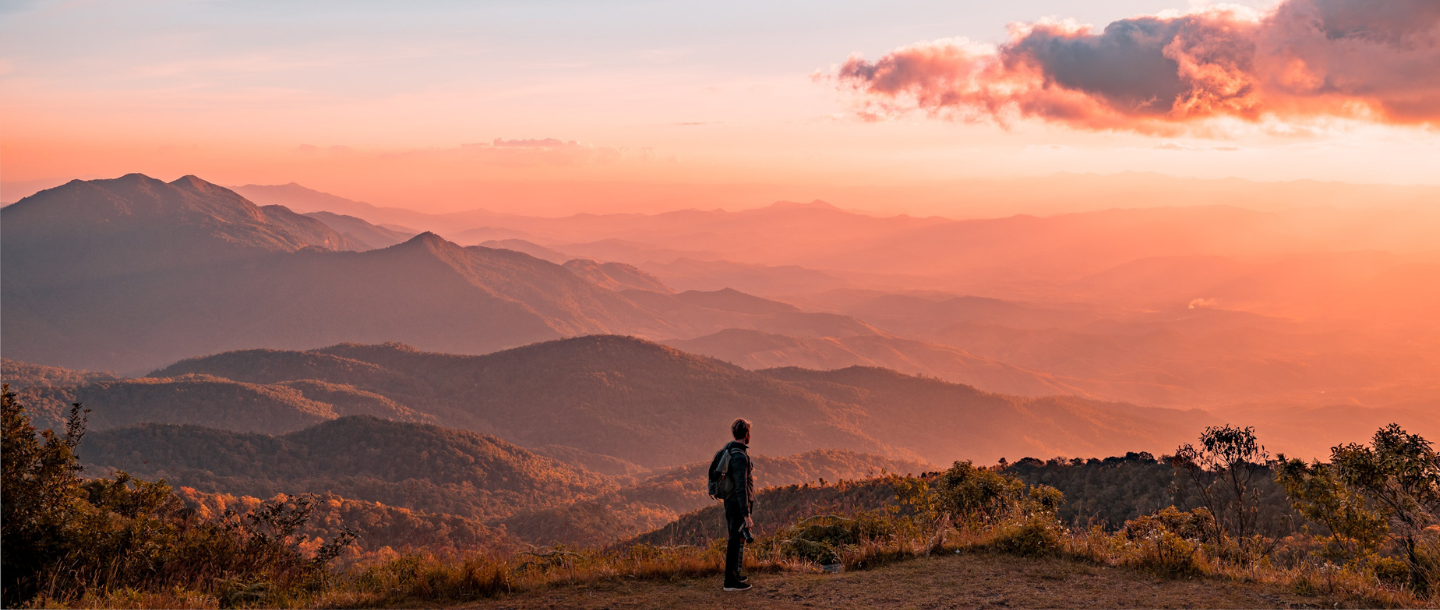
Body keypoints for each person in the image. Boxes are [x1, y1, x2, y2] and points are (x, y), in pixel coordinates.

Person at [719, 418, 754, 591]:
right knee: (734, 540)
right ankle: (730, 582)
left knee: (737, 539)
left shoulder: (731, 450)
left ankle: (735, 574)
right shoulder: (739, 457)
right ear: (747, 434)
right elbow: (741, 488)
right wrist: (746, 514)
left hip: (731, 502)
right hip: (737, 505)